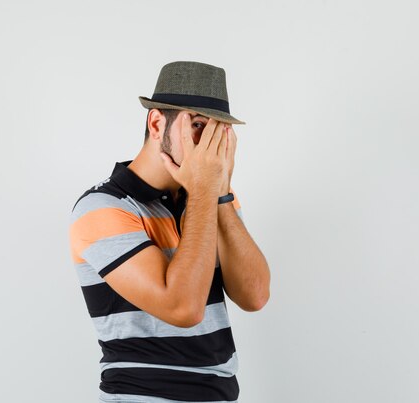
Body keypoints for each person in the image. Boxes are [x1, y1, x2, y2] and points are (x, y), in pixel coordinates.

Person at [69, 61, 270, 403]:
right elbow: (183, 309)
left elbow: (255, 296)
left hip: (219, 394)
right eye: (197, 126)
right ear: (157, 122)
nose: (208, 146)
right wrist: (206, 191)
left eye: (217, 132)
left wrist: (219, 192)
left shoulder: (210, 198)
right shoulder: (104, 207)